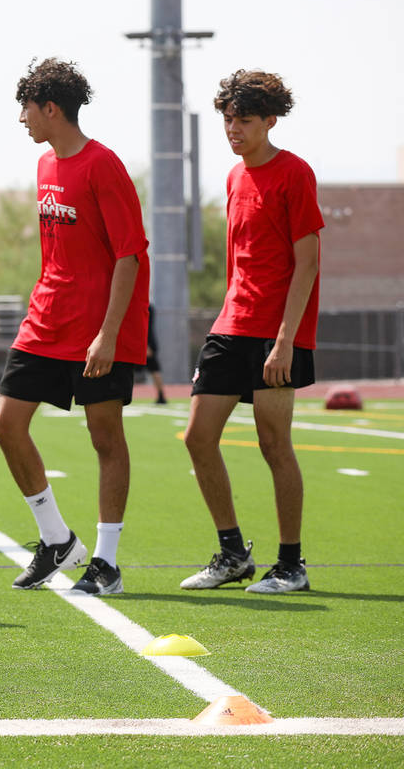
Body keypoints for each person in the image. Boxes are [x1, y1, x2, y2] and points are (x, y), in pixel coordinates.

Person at [0, 58, 150, 595]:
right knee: (6, 426)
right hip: (45, 318)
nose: (22, 119)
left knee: (105, 437)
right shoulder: (43, 166)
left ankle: (105, 562)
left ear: (51, 108)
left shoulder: (103, 165)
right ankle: (56, 539)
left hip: (100, 327)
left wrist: (108, 334)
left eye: (27, 108)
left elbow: (130, 254)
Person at [180, 69, 323, 594]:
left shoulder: (295, 173)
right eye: (227, 118)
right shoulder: (235, 177)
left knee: (273, 443)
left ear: (270, 120)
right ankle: (233, 554)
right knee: (197, 437)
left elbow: (306, 263)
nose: (232, 128)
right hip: (231, 324)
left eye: (243, 119)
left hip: (275, 333)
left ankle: (291, 565)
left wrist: (286, 339)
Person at [146, 304, 168, 404]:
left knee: (154, 369)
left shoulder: (147, 307)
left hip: (146, 344)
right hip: (146, 343)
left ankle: (161, 395)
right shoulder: (149, 307)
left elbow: (146, 327)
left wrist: (147, 345)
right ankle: (161, 395)